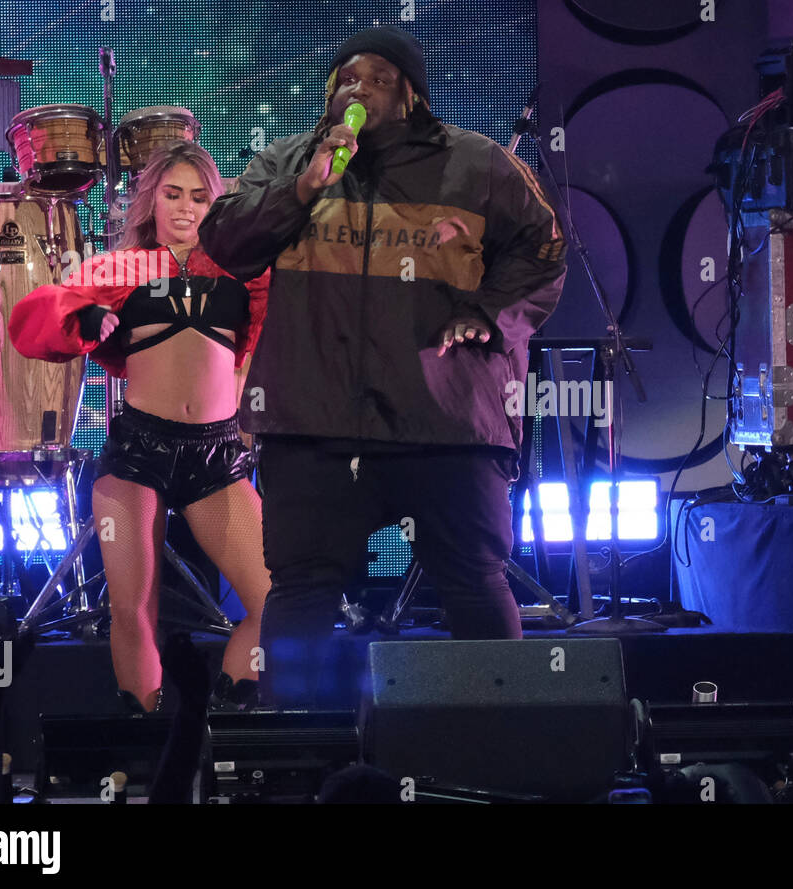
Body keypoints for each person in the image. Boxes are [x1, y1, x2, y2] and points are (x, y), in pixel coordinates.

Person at [198, 26, 566, 707]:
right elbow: (225, 242)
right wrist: (303, 187)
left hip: (444, 423)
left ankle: (506, 745)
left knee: (473, 581)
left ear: (412, 96)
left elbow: (544, 251)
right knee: (302, 590)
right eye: (344, 77)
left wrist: (488, 314)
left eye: (375, 77)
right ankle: (297, 761)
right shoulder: (292, 163)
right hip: (315, 423)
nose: (355, 87)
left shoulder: (479, 165)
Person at [9, 141, 272, 713]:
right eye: (172, 195)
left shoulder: (246, 272)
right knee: (132, 609)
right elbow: (35, 318)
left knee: (275, 602)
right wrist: (86, 318)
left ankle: (220, 726)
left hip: (218, 457)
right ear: (150, 200)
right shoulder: (117, 267)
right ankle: (150, 741)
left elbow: (281, 332)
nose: (185, 208)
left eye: (199, 197)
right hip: (137, 455)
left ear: (216, 204)